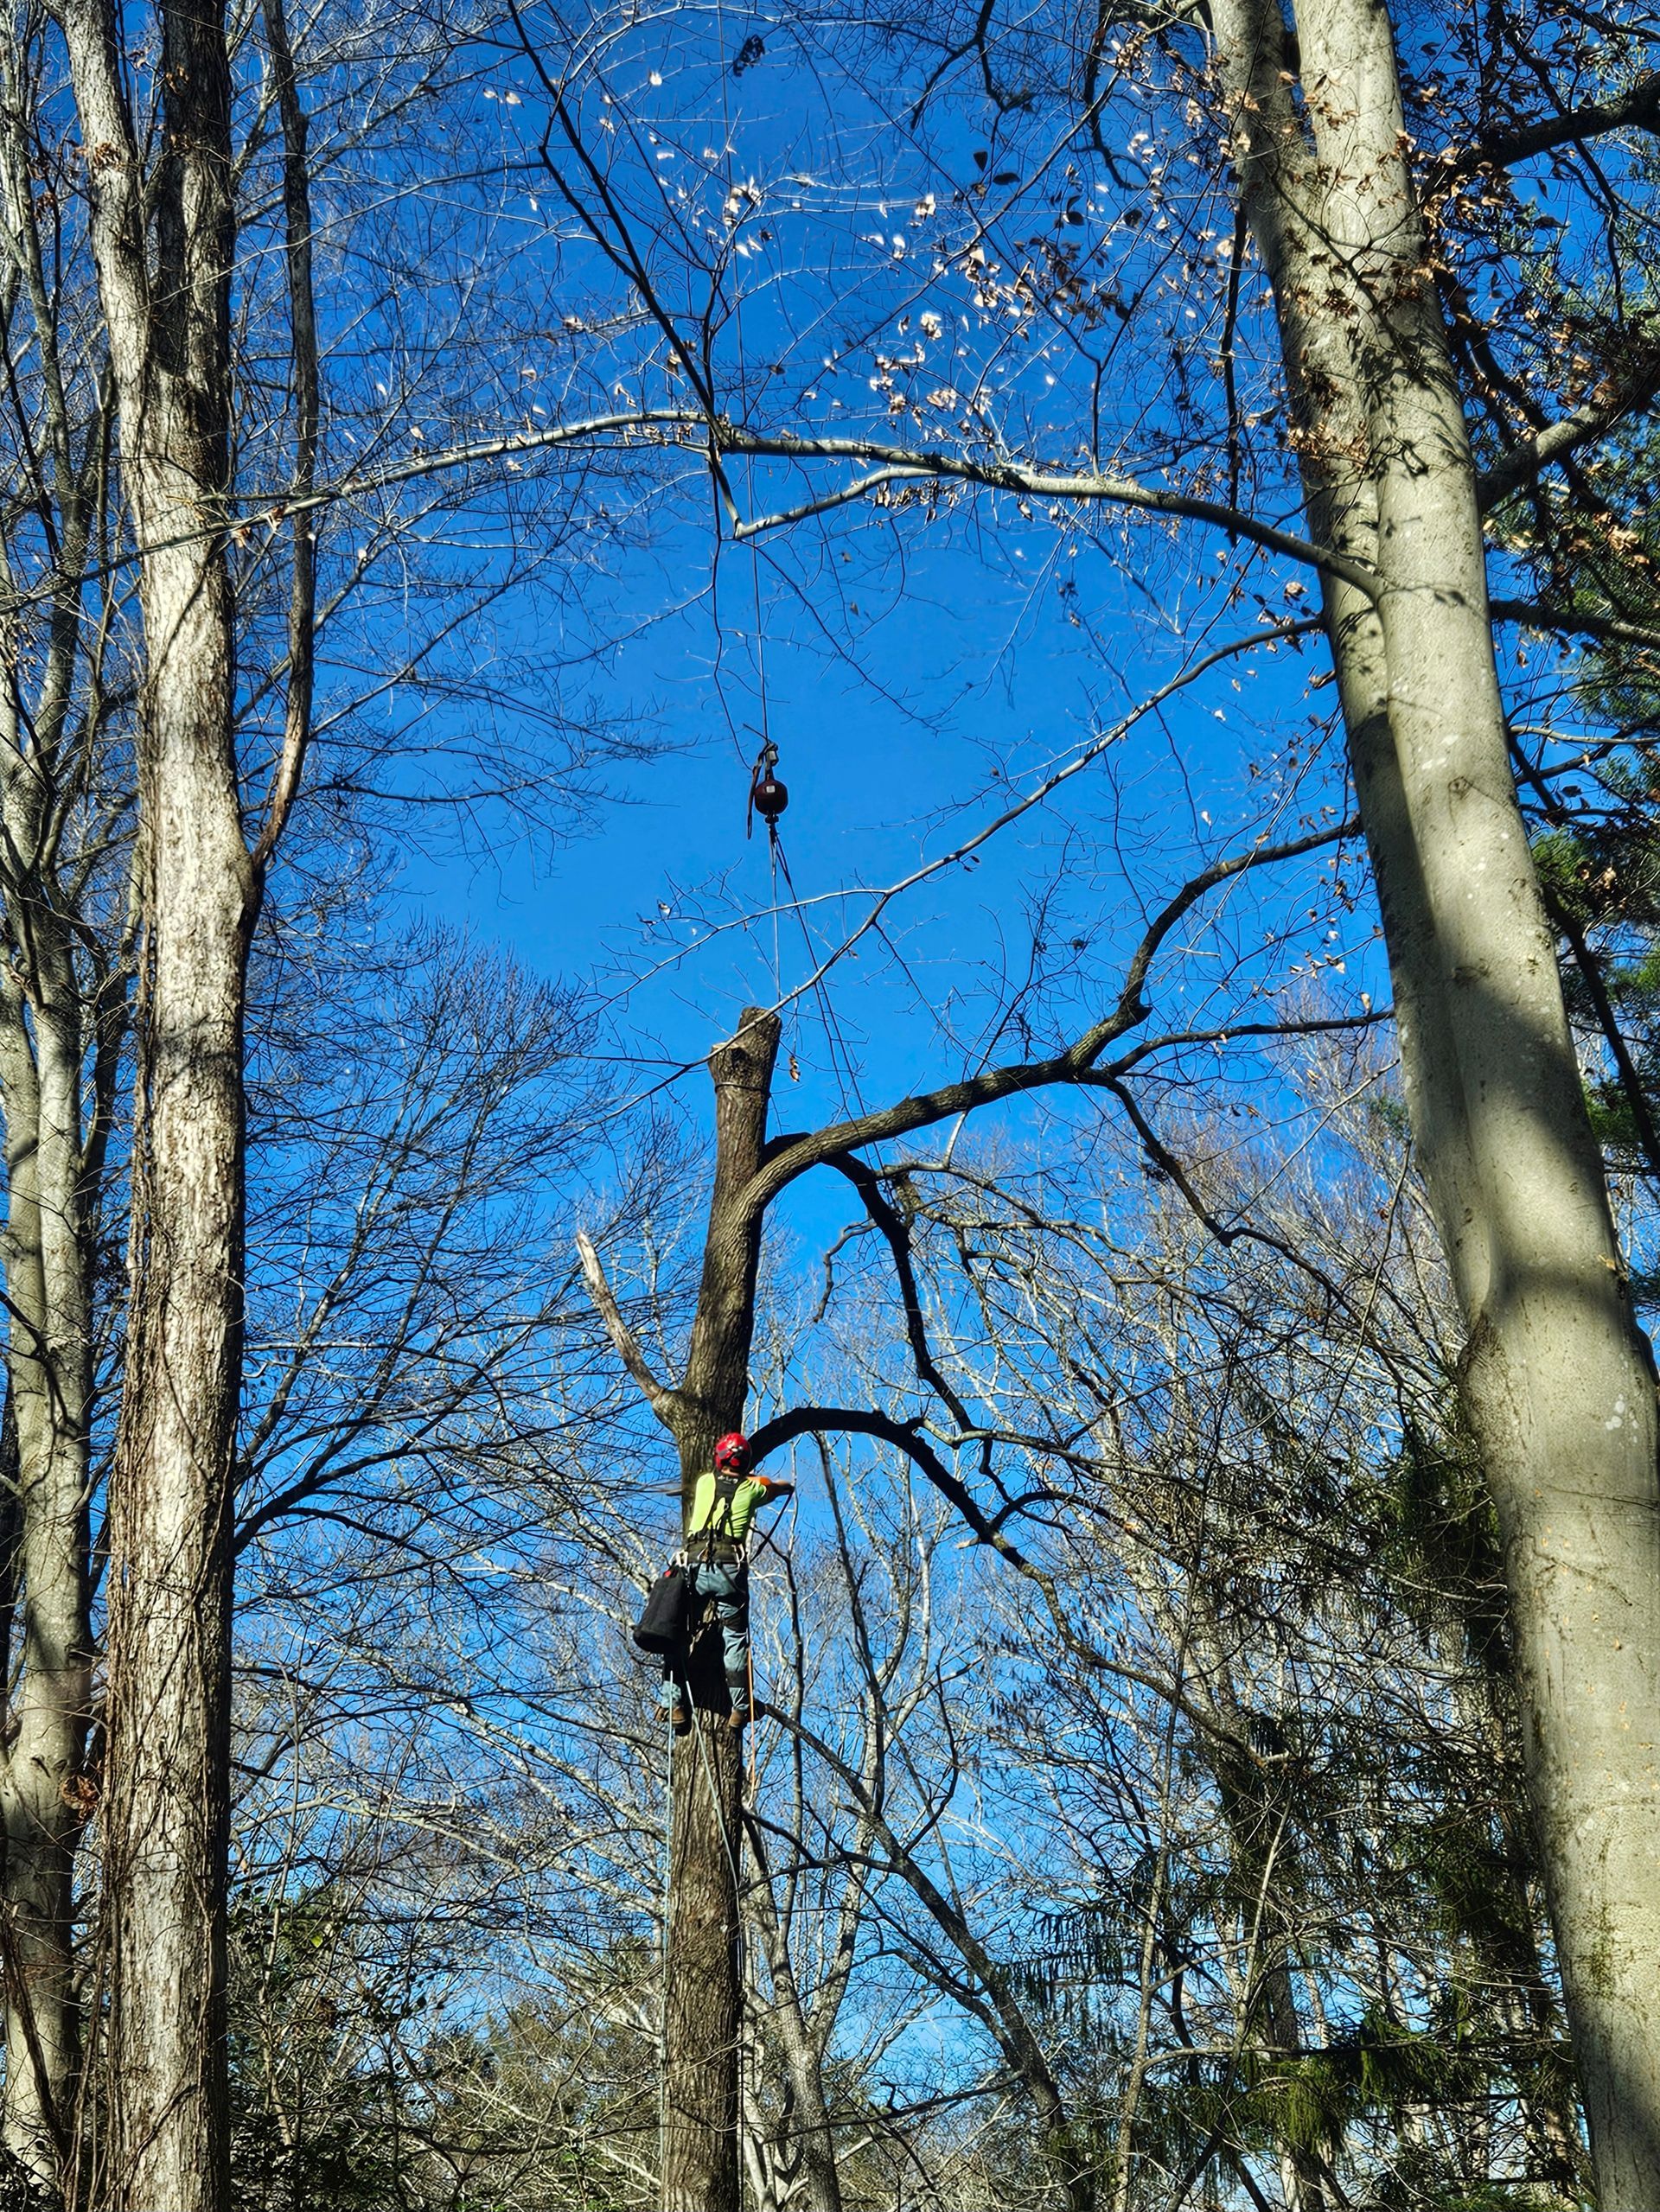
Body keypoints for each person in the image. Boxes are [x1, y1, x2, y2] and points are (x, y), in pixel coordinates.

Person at [662, 1431, 793, 1735]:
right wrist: (785, 1484)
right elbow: (775, 1487)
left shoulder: (704, 1482)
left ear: (718, 1459)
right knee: (734, 1640)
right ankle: (740, 1710)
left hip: (692, 1567)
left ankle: (674, 1704)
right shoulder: (752, 1488)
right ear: (745, 1463)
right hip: (729, 1573)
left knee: (676, 1631)